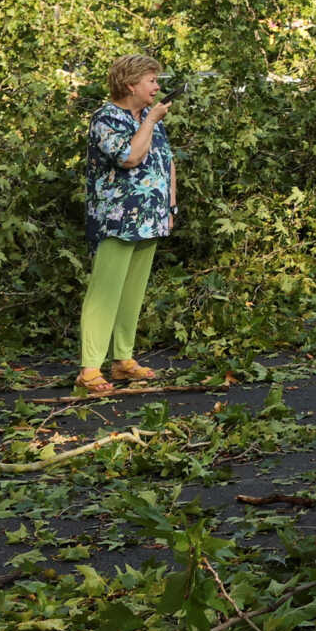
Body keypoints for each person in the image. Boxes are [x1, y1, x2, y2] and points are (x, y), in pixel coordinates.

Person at [78, 53, 178, 396]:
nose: (157, 87)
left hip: (150, 218)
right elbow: (129, 157)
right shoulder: (107, 119)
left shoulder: (150, 119)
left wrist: (171, 205)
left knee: (132, 292)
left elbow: (166, 162)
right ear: (130, 84)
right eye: (151, 80)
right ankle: (90, 368)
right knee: (105, 292)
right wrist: (149, 122)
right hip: (117, 219)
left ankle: (122, 360)